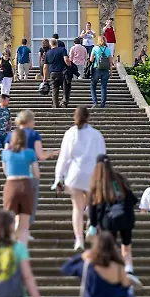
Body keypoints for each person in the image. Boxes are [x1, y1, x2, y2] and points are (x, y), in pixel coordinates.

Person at [53, 106, 106, 250]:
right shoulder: (96, 135)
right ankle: (91, 225)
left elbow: (64, 157)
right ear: (88, 117)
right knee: (91, 204)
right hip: (92, 174)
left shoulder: (70, 133)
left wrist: (58, 177)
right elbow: (102, 156)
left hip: (75, 175)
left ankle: (79, 240)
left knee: (77, 208)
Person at [87, 155, 141, 286]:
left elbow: (92, 207)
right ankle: (129, 270)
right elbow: (133, 199)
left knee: (109, 247)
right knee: (126, 246)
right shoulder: (120, 178)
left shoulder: (97, 182)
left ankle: (112, 272)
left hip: (108, 220)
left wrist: (93, 225)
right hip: (126, 216)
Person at [8, 110, 60, 234]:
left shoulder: (10, 135)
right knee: (29, 203)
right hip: (30, 172)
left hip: (13, 173)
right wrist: (52, 153)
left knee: (16, 203)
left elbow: (7, 154)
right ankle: (24, 230)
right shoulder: (34, 134)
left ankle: (17, 225)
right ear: (29, 121)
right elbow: (40, 155)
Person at [1, 123, 38, 243]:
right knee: (25, 220)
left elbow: (6, 172)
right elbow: (36, 173)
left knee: (9, 217)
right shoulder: (30, 152)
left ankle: (11, 239)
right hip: (26, 183)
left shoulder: (5, 153)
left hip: (11, 184)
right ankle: (23, 242)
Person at [43, 38, 73, 108]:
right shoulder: (62, 50)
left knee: (54, 89)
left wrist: (45, 77)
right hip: (63, 72)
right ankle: (64, 102)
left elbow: (45, 67)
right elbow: (66, 59)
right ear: (57, 43)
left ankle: (55, 104)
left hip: (53, 73)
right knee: (65, 88)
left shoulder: (48, 53)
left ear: (50, 44)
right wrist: (70, 65)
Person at [90, 36, 114, 108]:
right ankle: (102, 104)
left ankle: (95, 102)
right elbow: (110, 61)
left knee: (93, 86)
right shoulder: (108, 49)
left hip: (96, 69)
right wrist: (111, 71)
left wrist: (95, 57)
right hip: (105, 70)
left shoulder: (95, 48)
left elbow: (91, 59)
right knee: (103, 87)